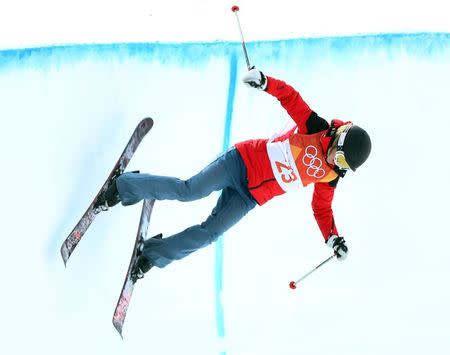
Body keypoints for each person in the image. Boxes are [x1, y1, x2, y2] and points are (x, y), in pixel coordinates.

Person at [95, 68, 372, 280]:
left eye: (342, 163)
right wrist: (264, 81)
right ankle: (124, 186)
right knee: (189, 190)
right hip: (240, 162)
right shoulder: (315, 127)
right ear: (339, 136)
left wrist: (332, 237)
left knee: (209, 234)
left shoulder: (330, 175)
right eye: (337, 154)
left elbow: (321, 208)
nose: (334, 162)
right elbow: (290, 97)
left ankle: (154, 255)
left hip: (250, 196)